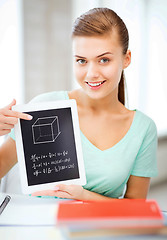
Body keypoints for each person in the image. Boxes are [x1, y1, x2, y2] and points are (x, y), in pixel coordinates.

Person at [0, 8, 157, 200]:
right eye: (82, 61)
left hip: (104, 230)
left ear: (126, 59)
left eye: (104, 60)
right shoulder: (44, 107)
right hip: (42, 227)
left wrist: (83, 195)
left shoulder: (143, 129)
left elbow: (136, 207)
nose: (92, 73)